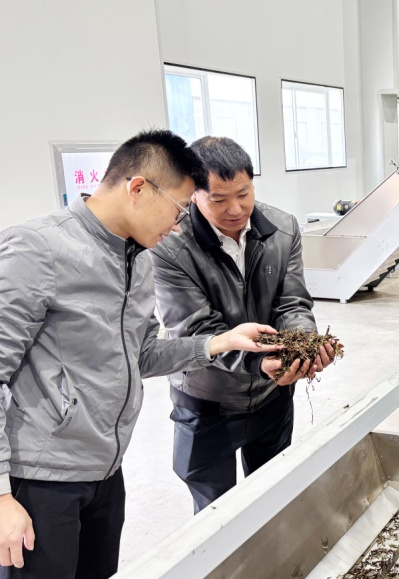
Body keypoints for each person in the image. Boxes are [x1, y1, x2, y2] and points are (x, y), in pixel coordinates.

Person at [0, 129, 282, 578]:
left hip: (105, 470)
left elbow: (143, 354)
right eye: (179, 209)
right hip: (40, 478)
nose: (179, 224)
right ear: (137, 188)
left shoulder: (138, 258)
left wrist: (222, 341)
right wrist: (1, 497)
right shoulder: (37, 249)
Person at [149, 136, 339, 513]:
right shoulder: (169, 245)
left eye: (244, 193)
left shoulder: (282, 229)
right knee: (216, 513)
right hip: (207, 402)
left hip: (272, 396)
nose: (235, 209)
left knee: (270, 499)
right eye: (219, 199)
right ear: (193, 194)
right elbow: (195, 328)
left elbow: (292, 301)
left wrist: (302, 346)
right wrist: (256, 362)